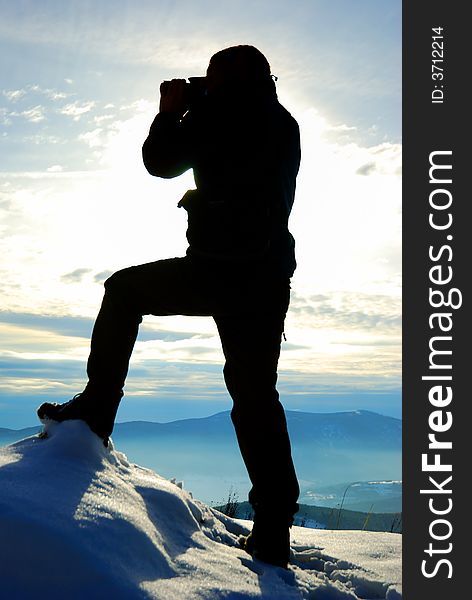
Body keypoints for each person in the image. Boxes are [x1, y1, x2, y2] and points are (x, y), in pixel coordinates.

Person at [37, 44, 300, 568]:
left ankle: (96, 409)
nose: (204, 81)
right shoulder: (281, 120)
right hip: (266, 278)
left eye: (212, 75)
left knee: (123, 291)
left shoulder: (220, 112)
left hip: (216, 270)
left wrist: (170, 109)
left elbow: (160, 162)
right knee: (254, 398)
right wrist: (198, 103)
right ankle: (273, 528)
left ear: (229, 79)